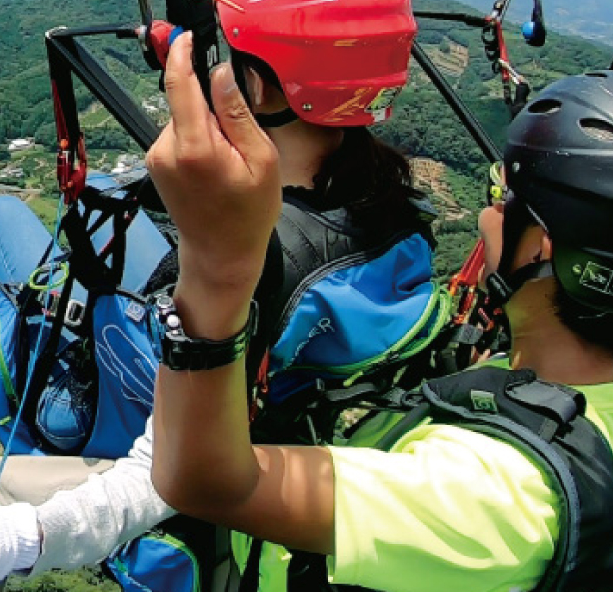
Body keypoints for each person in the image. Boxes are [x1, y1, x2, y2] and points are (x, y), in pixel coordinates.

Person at [0, 0, 440, 589]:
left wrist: (22, 537)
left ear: (259, 88)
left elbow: (165, 461)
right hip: (282, 414)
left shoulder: (240, 258)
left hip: (165, 424)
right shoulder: (398, 224)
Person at [142, 39, 613, 590]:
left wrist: (217, 265)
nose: (488, 212)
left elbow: (205, 481)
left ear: (541, 250)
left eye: (503, 197)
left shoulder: (495, 497)